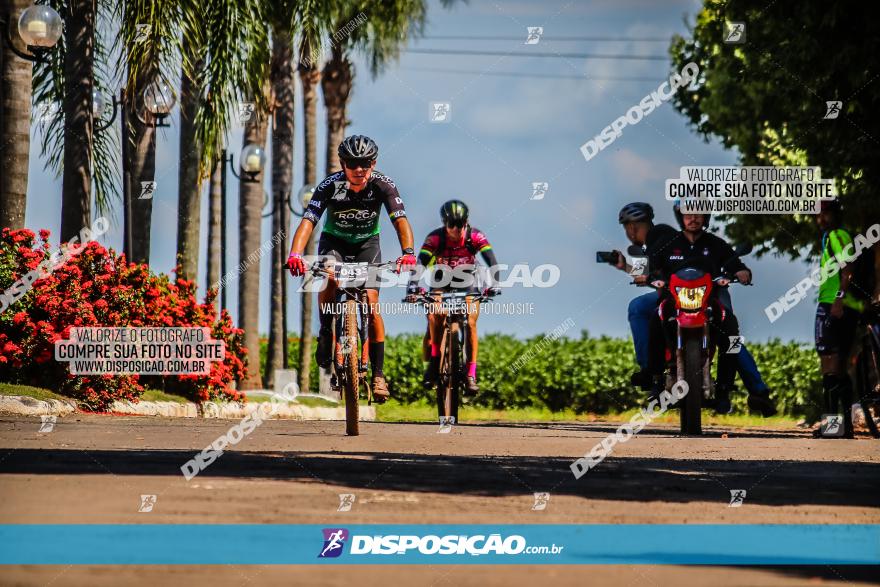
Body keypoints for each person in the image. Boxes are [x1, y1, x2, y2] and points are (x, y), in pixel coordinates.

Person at [286, 135, 417, 402]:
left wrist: (408, 253)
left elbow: (400, 221)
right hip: (334, 241)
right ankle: (325, 330)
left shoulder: (383, 185)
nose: (359, 169)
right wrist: (295, 253)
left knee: (371, 301)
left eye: (365, 164)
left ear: (373, 163)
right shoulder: (329, 186)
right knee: (330, 278)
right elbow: (309, 222)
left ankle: (378, 374)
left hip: (368, 244)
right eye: (353, 163)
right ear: (343, 164)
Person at [646, 203, 777, 416]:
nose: (693, 218)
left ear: (706, 216)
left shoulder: (716, 244)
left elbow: (735, 263)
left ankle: (724, 389)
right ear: (681, 217)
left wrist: (742, 272)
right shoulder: (667, 243)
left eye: (699, 213)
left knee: (732, 329)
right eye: (688, 213)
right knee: (654, 318)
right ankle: (656, 382)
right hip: (675, 302)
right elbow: (650, 265)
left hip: (709, 303)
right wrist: (648, 276)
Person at [405, 200, 500, 394]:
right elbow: (420, 264)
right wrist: (413, 287)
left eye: (461, 224)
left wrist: (495, 284)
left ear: (466, 222)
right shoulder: (435, 238)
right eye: (451, 225)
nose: (456, 229)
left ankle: (471, 373)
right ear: (444, 223)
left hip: (468, 279)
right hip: (441, 280)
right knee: (434, 315)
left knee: (471, 322)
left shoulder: (475, 236)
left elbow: (491, 261)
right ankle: (433, 361)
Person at [814, 199, 862, 438]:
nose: (820, 218)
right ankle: (843, 428)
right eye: (817, 215)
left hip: (834, 306)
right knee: (839, 368)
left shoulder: (836, 235)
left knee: (829, 367)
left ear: (834, 214)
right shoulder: (833, 236)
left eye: (824, 213)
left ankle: (833, 428)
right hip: (841, 305)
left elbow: (848, 267)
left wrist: (838, 299)